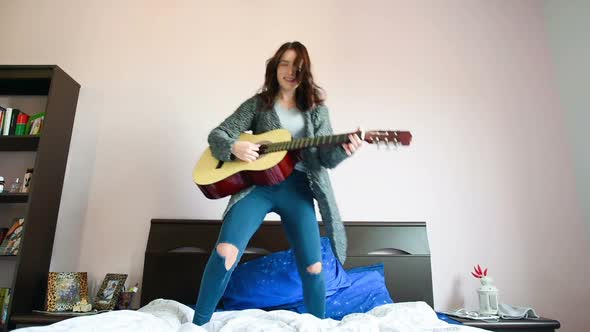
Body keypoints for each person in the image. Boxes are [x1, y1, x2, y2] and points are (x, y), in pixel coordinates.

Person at [193, 41, 362, 326]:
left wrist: (344, 150)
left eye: (297, 65)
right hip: (257, 188)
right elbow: (219, 134)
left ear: (305, 71)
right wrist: (234, 148)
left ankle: (315, 326)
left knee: (313, 266)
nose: (290, 70)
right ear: (275, 66)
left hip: (297, 188)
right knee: (225, 252)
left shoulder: (318, 112)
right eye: (285, 63)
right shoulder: (259, 104)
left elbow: (326, 159)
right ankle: (197, 324)